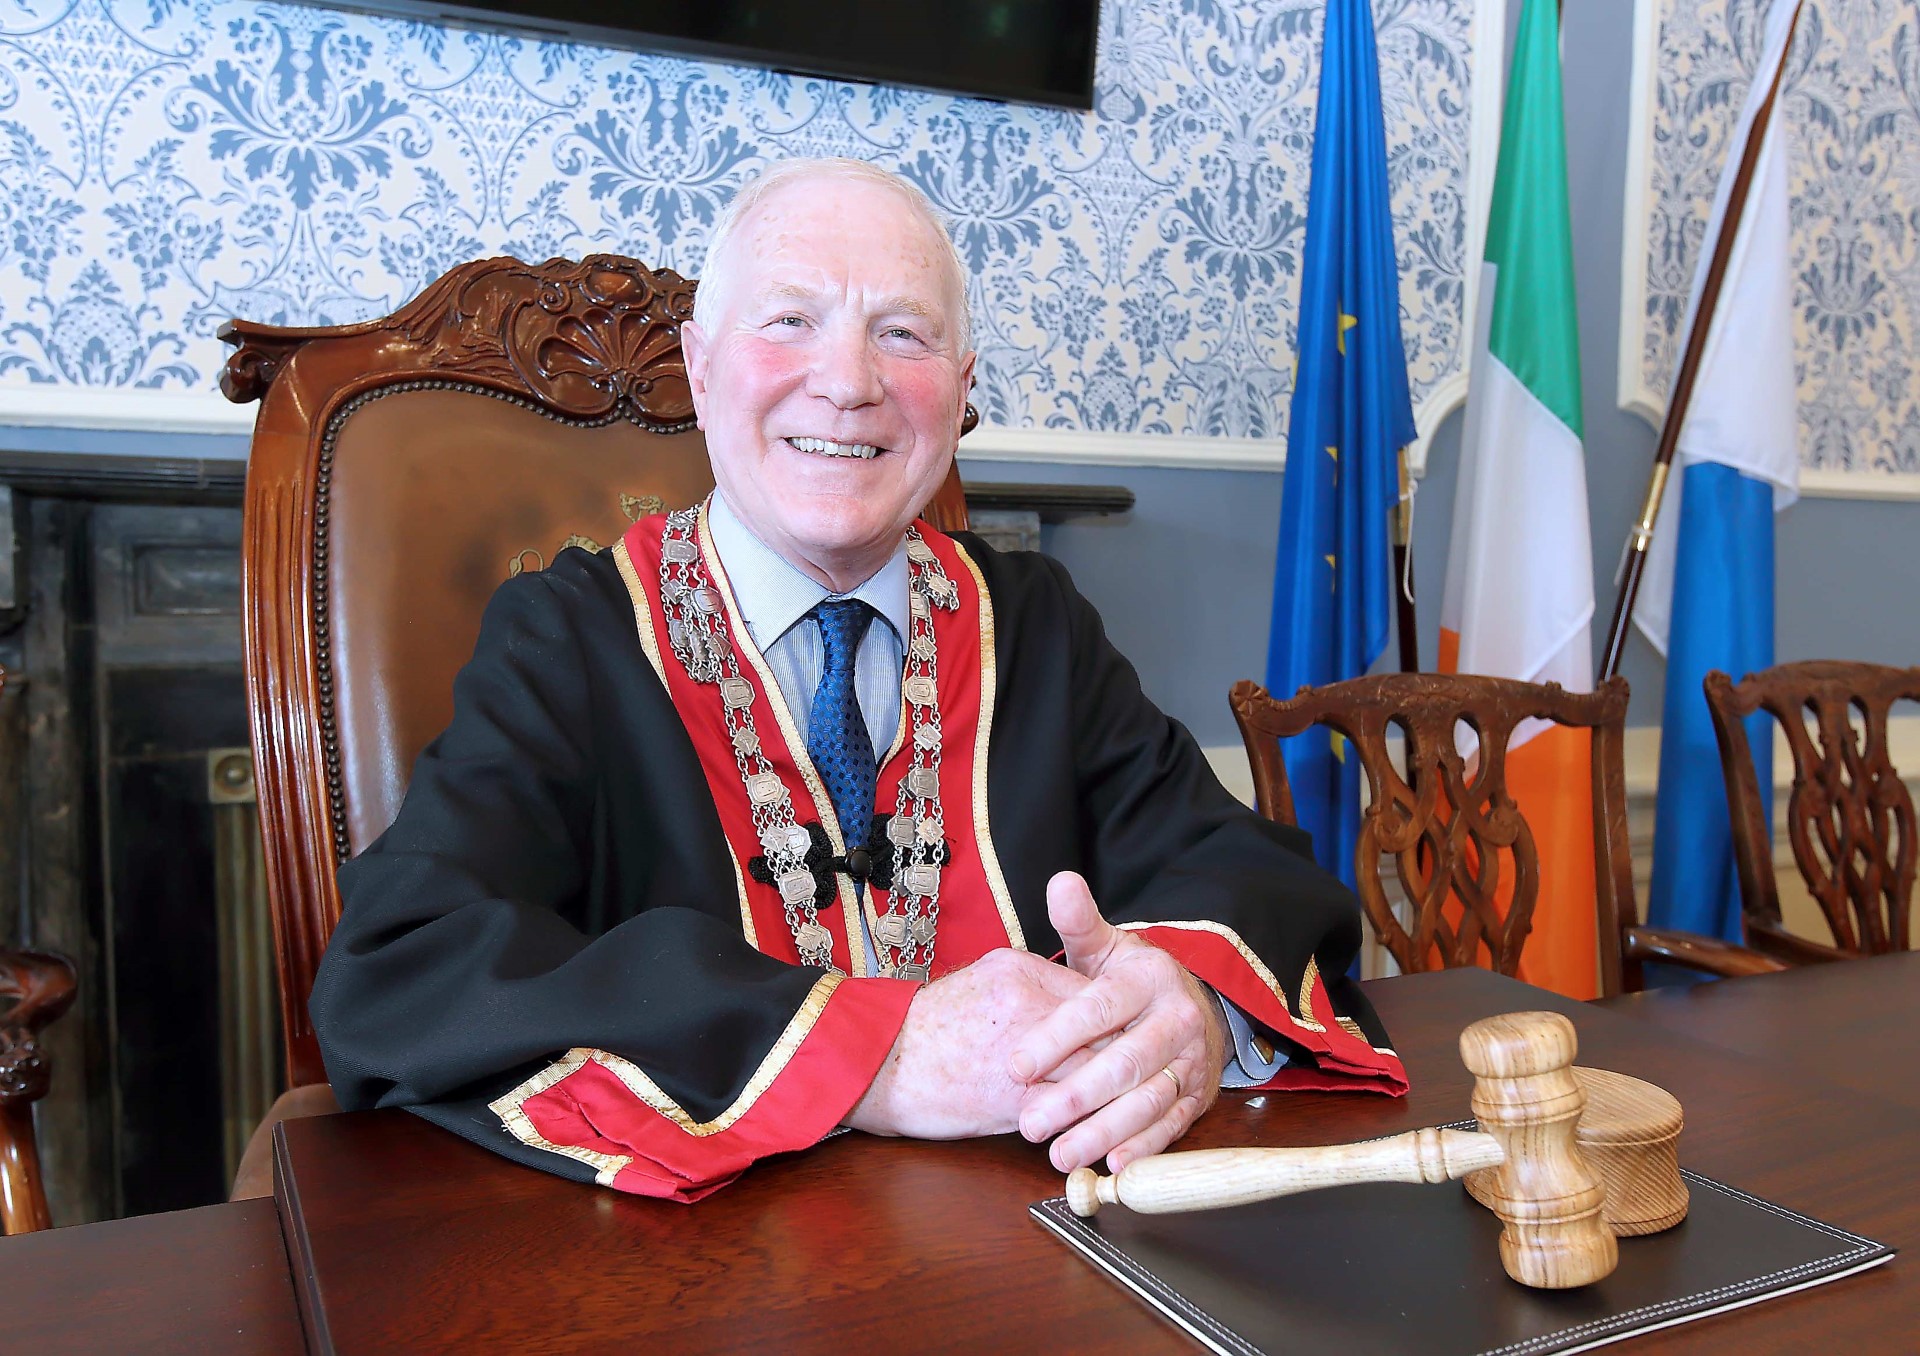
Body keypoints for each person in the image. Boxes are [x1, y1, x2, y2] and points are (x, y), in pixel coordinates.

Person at [311, 158, 1406, 1203]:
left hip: (1030, 1249)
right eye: (790, 320)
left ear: (961, 392)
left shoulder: (1032, 624)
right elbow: (409, 964)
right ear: (701, 368)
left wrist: (1188, 1007)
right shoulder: (569, 638)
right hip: (694, 1276)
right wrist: (872, 1053)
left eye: (903, 334)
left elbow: (1239, 870)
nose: (847, 383)